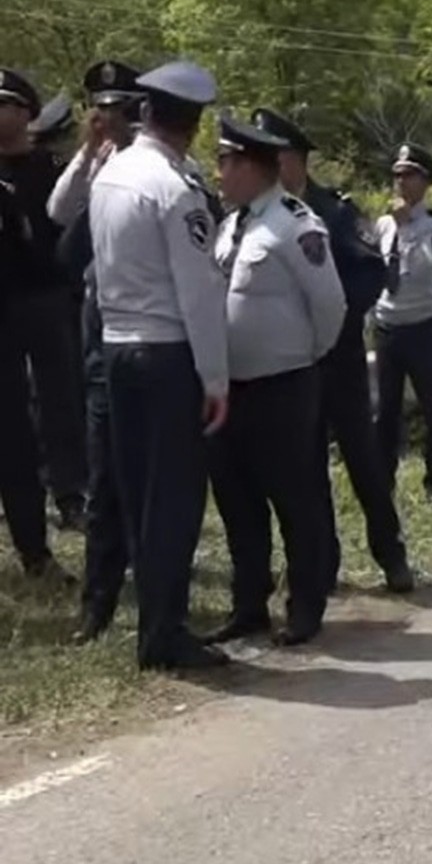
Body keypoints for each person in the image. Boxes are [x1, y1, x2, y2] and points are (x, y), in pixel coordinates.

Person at [89, 61, 231, 669]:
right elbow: (198, 292)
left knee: (137, 492)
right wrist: (216, 378)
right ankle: (164, 633)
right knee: (172, 499)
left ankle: (153, 627)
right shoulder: (175, 190)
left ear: (145, 112)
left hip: (116, 346)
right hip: (167, 352)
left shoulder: (111, 175)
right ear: (193, 125)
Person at [251, 108, 412, 593]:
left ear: (298, 161)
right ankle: (324, 564)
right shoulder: (260, 216)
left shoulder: (334, 212)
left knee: (363, 461)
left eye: (278, 158)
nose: (271, 167)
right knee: (307, 468)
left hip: (338, 359)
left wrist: (331, 313)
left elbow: (371, 272)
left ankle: (391, 555)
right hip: (292, 365)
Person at [202, 115, 346, 647]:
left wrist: (304, 356)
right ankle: (248, 605)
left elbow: (330, 305)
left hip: (282, 386)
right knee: (238, 502)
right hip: (231, 389)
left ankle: (305, 605)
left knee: (295, 500)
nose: (218, 172)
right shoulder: (229, 226)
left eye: (225, 161)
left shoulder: (295, 224)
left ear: (251, 167)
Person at [53, 62, 148, 641]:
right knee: (103, 473)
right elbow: (59, 214)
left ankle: (160, 592)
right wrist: (88, 154)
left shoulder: (160, 168)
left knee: (152, 474)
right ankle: (98, 602)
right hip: (100, 327)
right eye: (101, 109)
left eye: (118, 109)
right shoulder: (101, 166)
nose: (107, 119)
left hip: (148, 334)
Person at [1, 69, 88, 533]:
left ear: (25, 113)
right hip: (4, 300)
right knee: (10, 407)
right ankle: (18, 493)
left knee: (60, 398)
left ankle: (70, 491)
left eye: (3, 106)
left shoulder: (51, 169)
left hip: (47, 297)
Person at [371, 142, 432, 501]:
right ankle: (384, 482)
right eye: (397, 175)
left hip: (421, 327)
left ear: (425, 181)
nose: (401, 182)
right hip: (387, 327)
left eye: (409, 175)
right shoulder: (383, 224)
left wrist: (405, 228)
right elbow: (376, 271)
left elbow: (420, 267)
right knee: (386, 412)